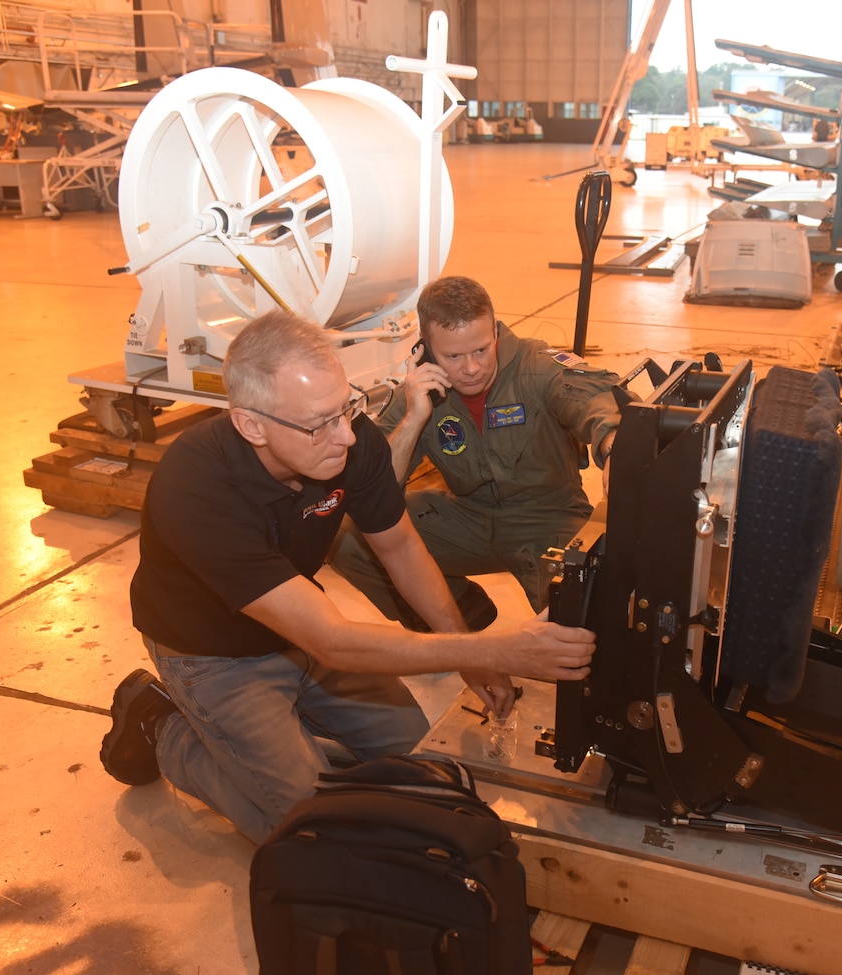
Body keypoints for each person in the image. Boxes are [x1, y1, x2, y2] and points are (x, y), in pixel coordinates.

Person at [98, 308, 595, 844]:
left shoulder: (344, 440)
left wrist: (466, 648)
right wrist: (496, 651)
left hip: (297, 632)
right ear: (251, 425)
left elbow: (401, 546)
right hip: (213, 657)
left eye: (347, 407)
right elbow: (332, 641)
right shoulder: (198, 488)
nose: (348, 437)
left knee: (423, 763)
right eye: (320, 423)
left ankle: (285, 750)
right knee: (307, 830)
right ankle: (164, 726)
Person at [330, 275, 623, 629]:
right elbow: (372, 489)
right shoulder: (421, 392)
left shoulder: (536, 366)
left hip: (547, 518)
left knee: (588, 625)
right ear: (424, 350)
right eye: (453, 356)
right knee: (348, 536)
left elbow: (595, 399)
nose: (471, 368)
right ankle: (455, 620)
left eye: (481, 350)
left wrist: (615, 447)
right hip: (468, 519)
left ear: (496, 333)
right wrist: (413, 419)